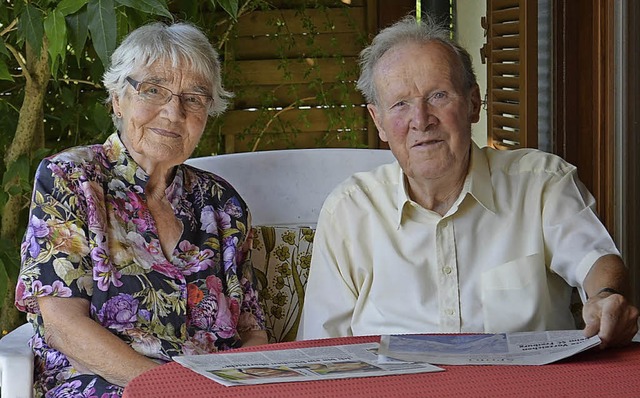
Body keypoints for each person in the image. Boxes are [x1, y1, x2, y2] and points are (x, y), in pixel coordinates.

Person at [297, 15, 639, 347]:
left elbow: (594, 259)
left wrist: (606, 296)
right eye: (400, 104)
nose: (421, 120)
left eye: (438, 96)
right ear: (379, 122)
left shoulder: (540, 183)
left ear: (473, 103)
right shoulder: (350, 209)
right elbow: (322, 345)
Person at [14, 21, 268, 397]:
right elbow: (63, 325)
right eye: (153, 90)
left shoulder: (221, 202)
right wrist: (171, 388)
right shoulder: (72, 179)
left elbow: (252, 331)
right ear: (118, 98)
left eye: (194, 98)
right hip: (103, 384)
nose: (173, 112)